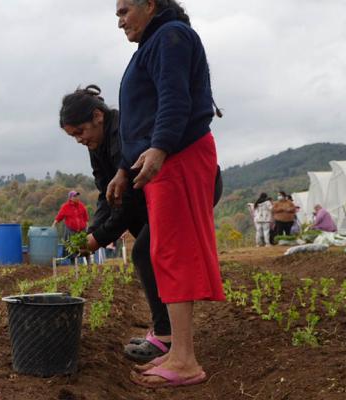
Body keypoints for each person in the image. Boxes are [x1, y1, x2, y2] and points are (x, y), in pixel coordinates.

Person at [110, 0, 224, 388]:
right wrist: (125, 168)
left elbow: (175, 100)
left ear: (150, 5)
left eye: (125, 11)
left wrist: (159, 148)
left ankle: (185, 360)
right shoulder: (152, 44)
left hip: (179, 154)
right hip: (166, 155)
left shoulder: (170, 36)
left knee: (174, 250)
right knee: (163, 251)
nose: (120, 20)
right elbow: (144, 114)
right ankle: (176, 351)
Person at [58, 85, 170, 362]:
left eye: (80, 132)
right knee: (150, 258)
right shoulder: (97, 143)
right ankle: (166, 331)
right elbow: (106, 193)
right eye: (73, 136)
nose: (79, 140)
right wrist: (92, 230)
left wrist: (97, 240)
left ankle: (167, 337)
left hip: (169, 195)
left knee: (144, 253)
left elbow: (128, 199)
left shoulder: (124, 131)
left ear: (98, 116)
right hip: (149, 203)